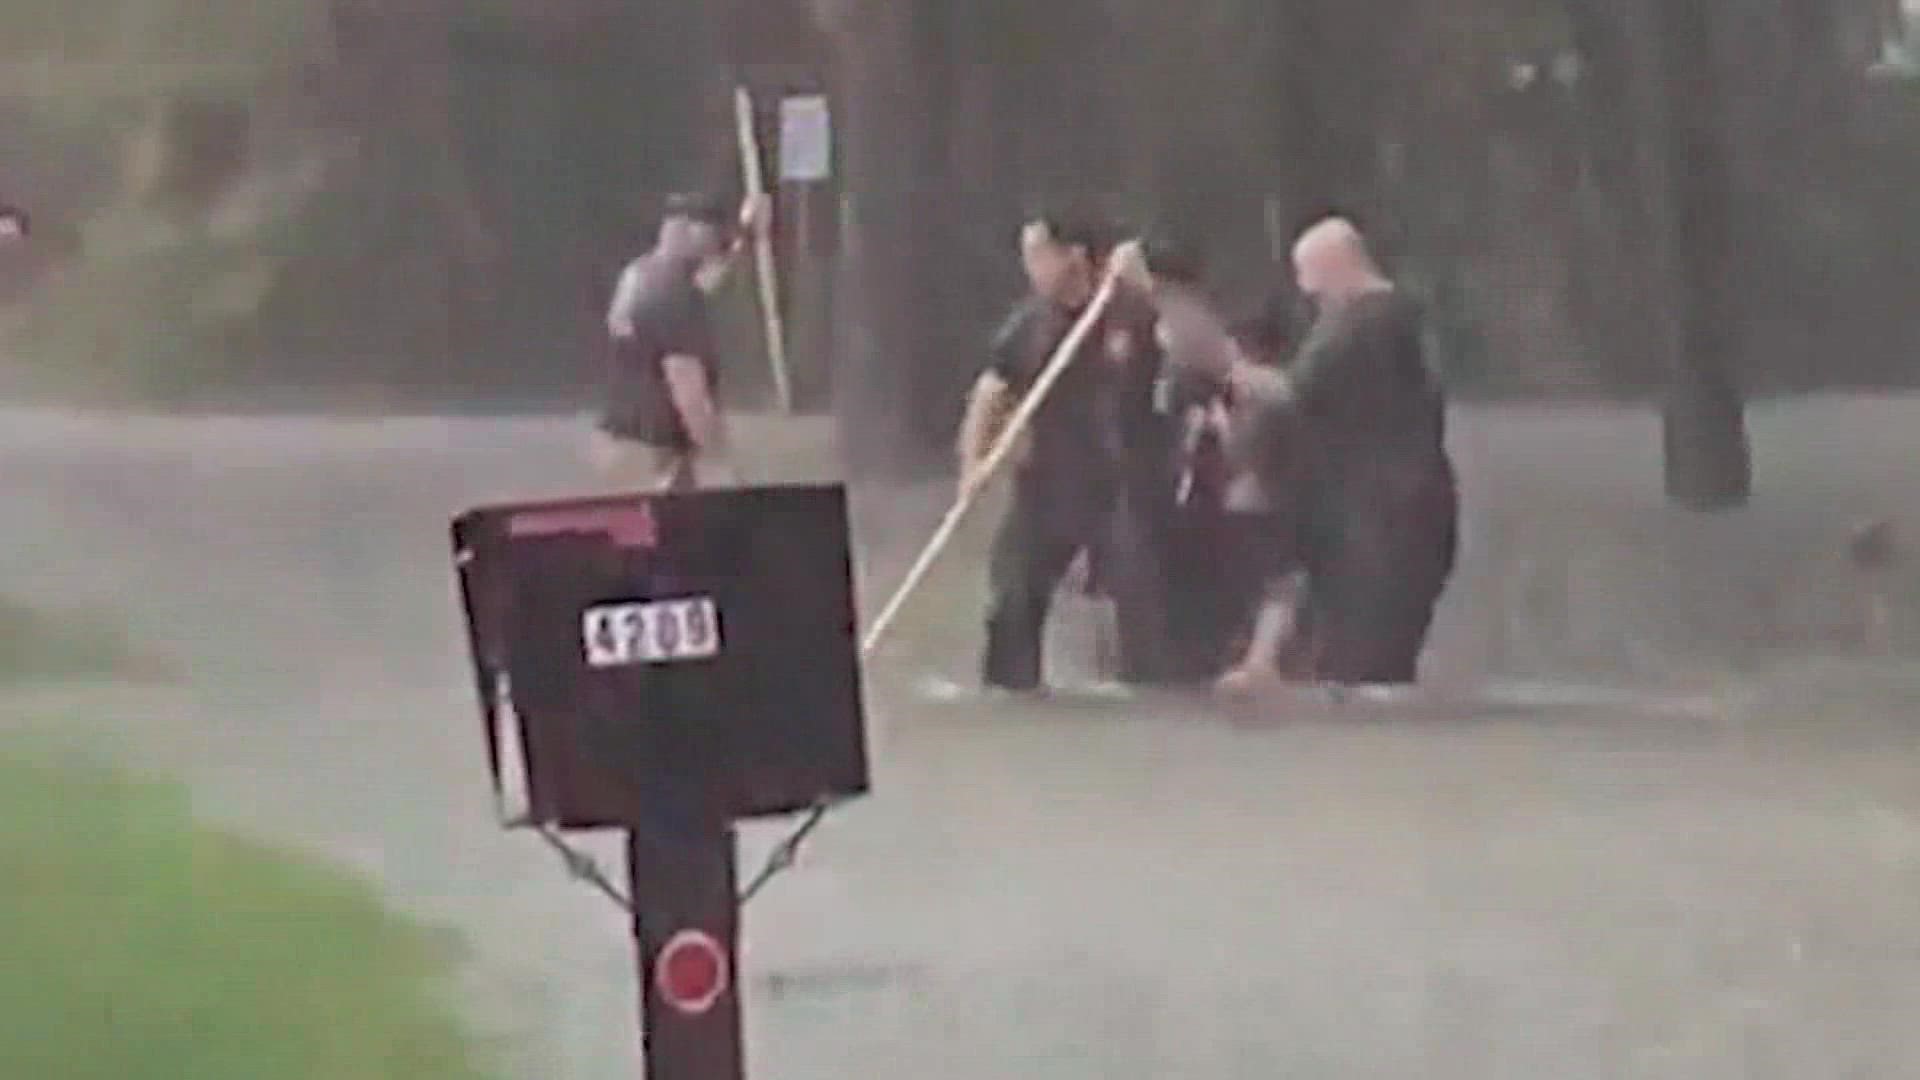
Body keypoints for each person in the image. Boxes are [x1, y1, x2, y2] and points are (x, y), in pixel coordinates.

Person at [957, 210, 1175, 694]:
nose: (1030, 266)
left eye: (1038, 254)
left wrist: (1148, 291)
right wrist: (974, 466)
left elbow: (1186, 352)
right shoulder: (1031, 324)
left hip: (1123, 481)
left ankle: (1153, 695)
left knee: (1138, 598)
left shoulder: (1132, 310)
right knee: (1013, 595)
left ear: (1073, 256)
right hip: (1050, 481)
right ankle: (1011, 689)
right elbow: (991, 393)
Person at [1278, 216, 1458, 687]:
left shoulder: (1363, 325)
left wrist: (1226, 367)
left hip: (1375, 526)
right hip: (1401, 518)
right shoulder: (1402, 322)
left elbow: (1294, 392)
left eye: (1314, 290)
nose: (1312, 303)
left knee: (1360, 668)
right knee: (1373, 662)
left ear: (1338, 268)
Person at [593, 191, 766, 492]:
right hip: (654, 458)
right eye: (714, 233)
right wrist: (722, 466)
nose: (717, 244)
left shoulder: (640, 273)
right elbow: (689, 394)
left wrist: (747, 233)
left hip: (622, 443)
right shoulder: (674, 294)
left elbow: (710, 280)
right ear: (689, 229)